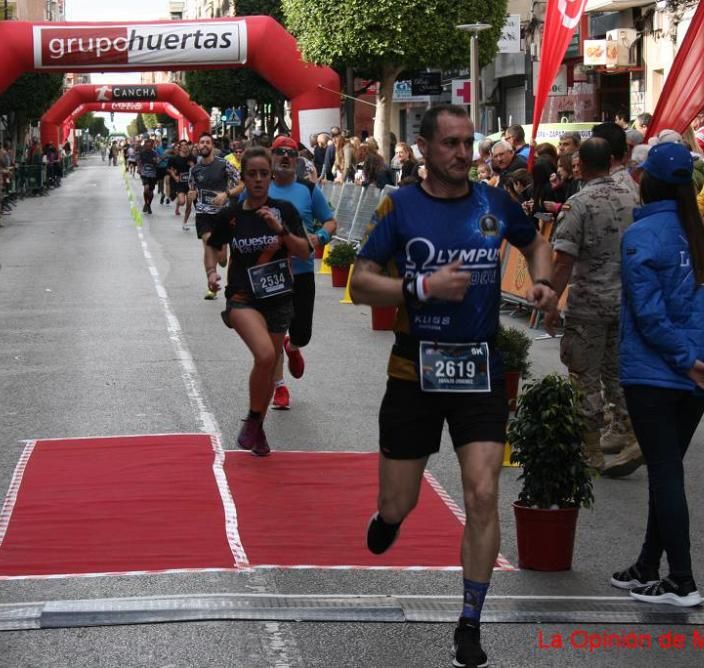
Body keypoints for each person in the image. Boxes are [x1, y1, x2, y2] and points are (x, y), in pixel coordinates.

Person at [351, 105, 558, 668]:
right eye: (450, 144)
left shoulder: (493, 202)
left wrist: (541, 280)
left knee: (484, 492)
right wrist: (421, 286)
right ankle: (389, 520)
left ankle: (470, 621)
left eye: (468, 142)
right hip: (413, 370)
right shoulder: (401, 205)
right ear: (423, 149)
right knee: (400, 501)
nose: (463, 154)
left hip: (479, 368)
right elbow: (361, 280)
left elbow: (537, 243)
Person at [611, 141, 704, 607]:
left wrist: (691, 362)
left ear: (648, 182)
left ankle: (681, 580)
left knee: (665, 474)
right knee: (665, 471)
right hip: (694, 378)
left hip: (656, 375)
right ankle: (649, 565)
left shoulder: (643, 236)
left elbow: (649, 314)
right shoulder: (696, 236)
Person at [204, 146, 311, 455]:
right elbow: (213, 245)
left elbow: (305, 252)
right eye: (253, 174)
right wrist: (212, 272)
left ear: (271, 176)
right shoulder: (232, 214)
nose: (259, 180)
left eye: (265, 174)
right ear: (244, 178)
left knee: (265, 364)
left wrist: (281, 232)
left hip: (279, 297)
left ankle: (257, 427)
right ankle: (253, 420)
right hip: (242, 296)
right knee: (266, 356)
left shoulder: (284, 211)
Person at [545, 138, 642, 476]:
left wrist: (551, 303)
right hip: (626, 301)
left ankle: (590, 452)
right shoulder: (632, 196)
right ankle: (631, 434)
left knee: (583, 377)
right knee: (617, 373)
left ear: (582, 166)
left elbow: (562, 261)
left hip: (589, 303)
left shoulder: (580, 203)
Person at [264, 136, 337, 410]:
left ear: (297, 161)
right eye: (280, 152)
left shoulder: (308, 189)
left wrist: (320, 237)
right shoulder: (260, 188)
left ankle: (293, 347)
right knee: (273, 329)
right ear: (272, 157)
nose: (285, 157)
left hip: (303, 270)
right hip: (271, 272)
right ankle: (280, 388)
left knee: (302, 333)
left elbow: (331, 222)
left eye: (291, 154)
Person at [190, 133, 243, 300]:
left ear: (212, 146)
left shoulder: (224, 165)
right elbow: (191, 189)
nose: (204, 145)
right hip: (203, 213)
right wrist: (191, 195)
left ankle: (219, 264)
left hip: (221, 215)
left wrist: (226, 194)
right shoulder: (195, 170)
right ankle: (211, 283)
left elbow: (242, 184)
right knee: (208, 242)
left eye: (207, 142)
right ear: (198, 146)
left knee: (222, 259)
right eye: (202, 142)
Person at [168, 140, 196, 230]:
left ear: (188, 146)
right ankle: (178, 203)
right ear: (179, 147)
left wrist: (193, 166)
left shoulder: (192, 158)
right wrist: (175, 176)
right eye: (182, 145)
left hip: (190, 185)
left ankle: (184, 223)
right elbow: (169, 169)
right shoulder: (175, 158)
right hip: (180, 183)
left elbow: (198, 169)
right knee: (182, 202)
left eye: (186, 145)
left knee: (188, 205)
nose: (184, 147)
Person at [137, 138, 159, 215]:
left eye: (150, 145)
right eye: (147, 145)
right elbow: (139, 162)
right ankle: (146, 202)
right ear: (145, 145)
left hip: (153, 174)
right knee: (146, 188)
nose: (149, 147)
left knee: (151, 192)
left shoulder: (155, 153)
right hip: (144, 173)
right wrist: (139, 169)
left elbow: (157, 162)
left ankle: (148, 204)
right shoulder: (142, 153)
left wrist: (156, 161)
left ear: (152, 146)